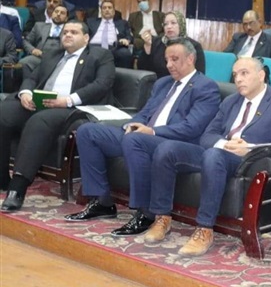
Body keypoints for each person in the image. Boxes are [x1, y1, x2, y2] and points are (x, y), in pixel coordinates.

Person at [141, 57, 271, 256]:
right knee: (167, 149)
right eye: (235, 75)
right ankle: (162, 217)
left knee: (213, 155)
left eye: (244, 73)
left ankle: (204, 229)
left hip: (250, 159)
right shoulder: (231, 101)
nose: (238, 79)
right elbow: (208, 135)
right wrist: (225, 144)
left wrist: (250, 148)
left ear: (261, 75)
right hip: (219, 152)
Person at [65, 39, 220, 235]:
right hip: (142, 136)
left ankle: (146, 212)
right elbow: (144, 113)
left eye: (174, 59)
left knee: (134, 140)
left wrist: (152, 132)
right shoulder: (163, 83)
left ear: (190, 59)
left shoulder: (205, 87)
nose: (169, 65)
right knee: (88, 131)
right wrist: (132, 125)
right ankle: (101, 202)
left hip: (173, 143)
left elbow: (192, 127)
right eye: (166, 60)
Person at [0, 21, 115, 210]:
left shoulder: (100, 55)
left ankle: (17, 189)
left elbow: (102, 84)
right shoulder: (53, 54)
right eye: (65, 32)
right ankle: (2, 177)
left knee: (39, 121)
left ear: (86, 38)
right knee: (4, 113)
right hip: (40, 102)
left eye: (74, 32)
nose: (67, 35)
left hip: (72, 108)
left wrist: (67, 100)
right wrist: (26, 93)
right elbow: (32, 78)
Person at [138, 11, 206, 77]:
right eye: (165, 24)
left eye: (173, 23)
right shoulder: (156, 42)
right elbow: (142, 69)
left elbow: (199, 75)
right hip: (158, 82)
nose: (169, 26)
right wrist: (147, 47)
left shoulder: (194, 46)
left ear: (181, 25)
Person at [20, 4, 69, 78]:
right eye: (56, 11)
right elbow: (26, 41)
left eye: (62, 13)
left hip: (59, 60)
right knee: (24, 62)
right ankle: (27, 84)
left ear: (66, 18)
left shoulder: (69, 30)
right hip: (39, 58)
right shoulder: (39, 26)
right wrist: (33, 50)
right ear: (52, 14)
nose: (58, 14)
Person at [87, 1, 133, 68]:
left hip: (114, 48)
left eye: (109, 8)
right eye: (104, 8)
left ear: (114, 11)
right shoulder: (91, 22)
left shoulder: (122, 23)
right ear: (101, 11)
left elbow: (129, 36)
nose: (107, 10)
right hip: (93, 46)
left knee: (125, 53)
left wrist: (127, 40)